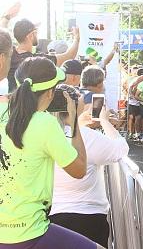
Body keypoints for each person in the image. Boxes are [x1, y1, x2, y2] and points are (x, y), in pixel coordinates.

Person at [0, 57, 100, 248]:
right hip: (30, 230)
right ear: (50, 93)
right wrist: (74, 123)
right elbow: (79, 170)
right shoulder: (45, 123)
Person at [50, 107, 129, 248]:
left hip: (52, 218)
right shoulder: (86, 136)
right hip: (88, 217)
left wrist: (79, 123)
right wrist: (105, 121)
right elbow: (120, 149)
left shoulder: (46, 136)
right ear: (73, 109)